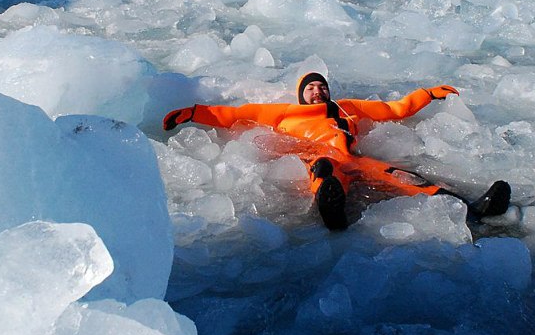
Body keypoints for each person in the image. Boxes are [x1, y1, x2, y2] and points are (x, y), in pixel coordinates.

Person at [163, 71, 510, 231]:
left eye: (322, 86)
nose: (318, 91)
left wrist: (428, 93)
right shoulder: (283, 113)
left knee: (405, 177)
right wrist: (192, 112)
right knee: (325, 176)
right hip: (317, 156)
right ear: (302, 94)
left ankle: (470, 208)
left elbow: (394, 109)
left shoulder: (347, 108)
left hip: (355, 159)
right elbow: (234, 115)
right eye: (311, 87)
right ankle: (333, 213)